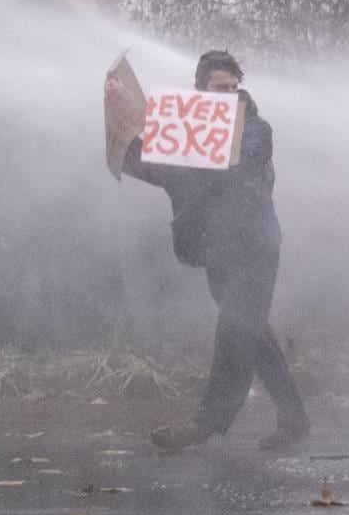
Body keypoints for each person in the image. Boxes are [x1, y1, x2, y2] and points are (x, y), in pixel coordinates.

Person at [113, 50, 311, 454]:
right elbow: (146, 163)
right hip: (216, 250)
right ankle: (295, 417)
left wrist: (180, 136)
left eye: (234, 88)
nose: (230, 96)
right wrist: (124, 116)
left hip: (255, 246)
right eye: (220, 89)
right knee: (252, 333)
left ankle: (205, 424)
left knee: (235, 328)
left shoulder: (256, 129)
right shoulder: (185, 135)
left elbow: (237, 166)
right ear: (200, 91)